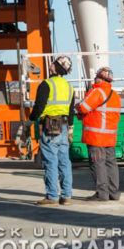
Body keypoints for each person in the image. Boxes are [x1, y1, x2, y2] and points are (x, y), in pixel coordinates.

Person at [28, 54, 75, 206]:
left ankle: (52, 196)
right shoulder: (69, 87)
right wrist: (70, 129)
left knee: (50, 160)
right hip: (64, 124)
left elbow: (39, 106)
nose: (51, 65)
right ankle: (67, 196)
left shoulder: (46, 84)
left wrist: (30, 120)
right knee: (64, 161)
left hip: (51, 124)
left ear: (57, 67)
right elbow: (71, 110)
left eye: (53, 63)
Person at [76, 66, 122, 202]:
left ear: (99, 78)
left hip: (96, 137)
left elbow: (83, 107)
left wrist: (78, 107)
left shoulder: (97, 92)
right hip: (110, 136)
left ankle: (102, 194)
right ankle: (114, 193)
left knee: (98, 164)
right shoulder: (115, 95)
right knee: (111, 164)